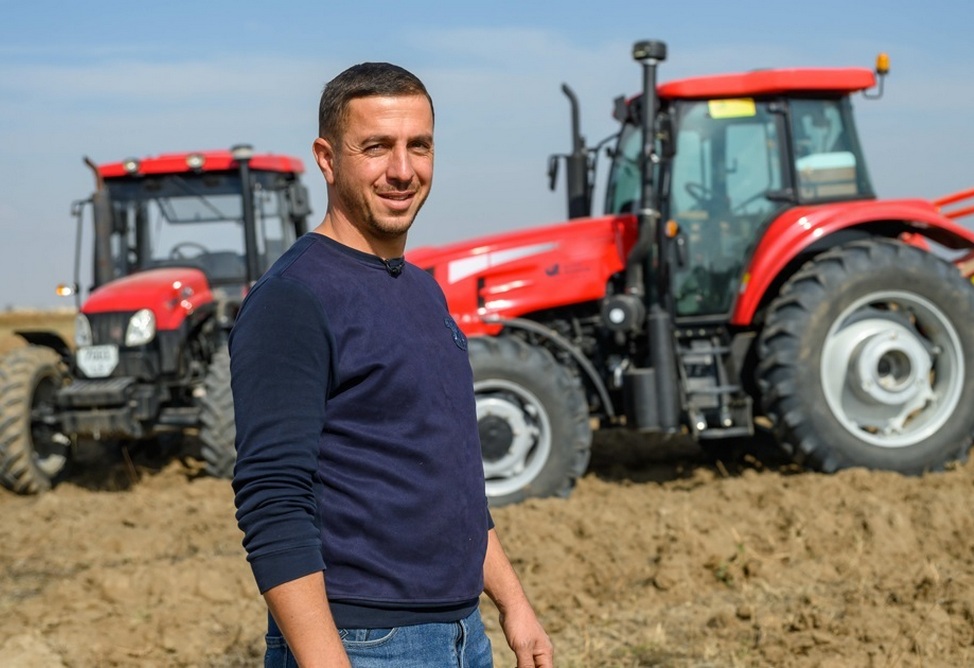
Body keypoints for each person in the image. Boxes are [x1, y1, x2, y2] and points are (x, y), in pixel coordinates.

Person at [229, 61, 553, 668]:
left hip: (462, 634)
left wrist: (513, 604)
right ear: (327, 159)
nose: (403, 170)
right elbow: (272, 500)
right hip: (364, 642)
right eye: (376, 147)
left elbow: (443, 470)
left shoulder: (422, 290)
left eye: (418, 146)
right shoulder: (294, 299)